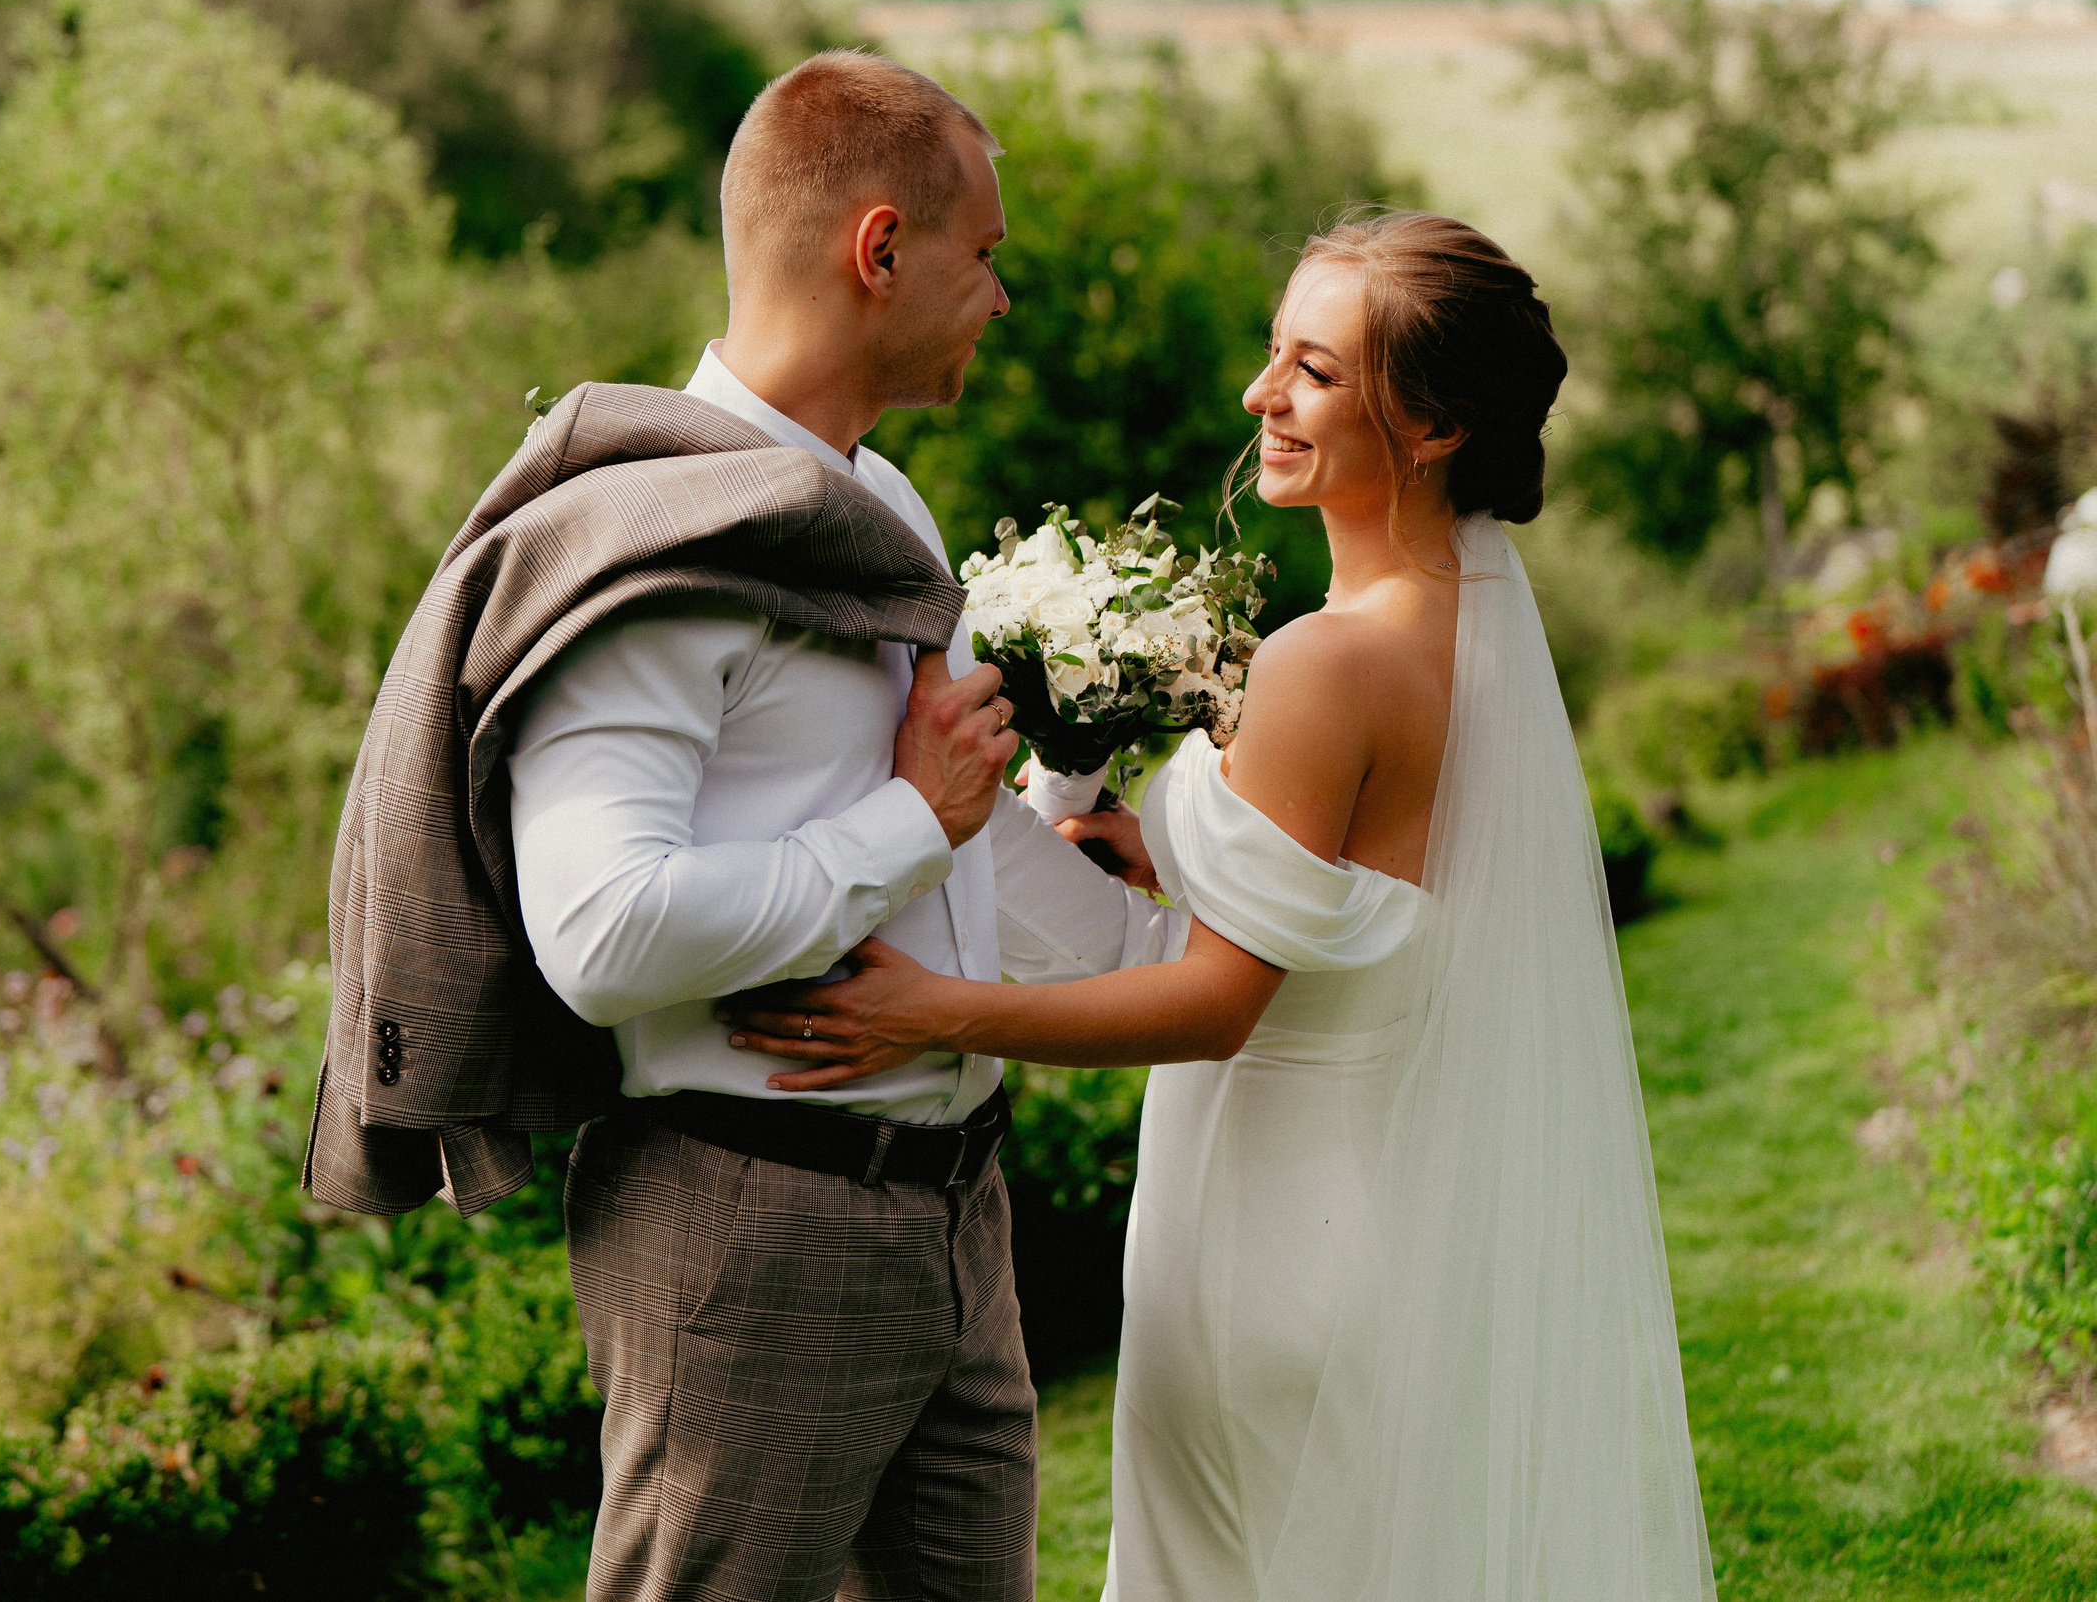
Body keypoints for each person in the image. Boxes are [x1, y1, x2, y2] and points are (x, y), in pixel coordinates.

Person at [720, 211, 1720, 1601]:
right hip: (1377, 1229)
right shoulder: (1468, 628)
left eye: (1312, 371)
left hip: (1270, 1249)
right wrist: (1168, 850)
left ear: (1429, 426)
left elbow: (1217, 1005)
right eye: (1274, 355)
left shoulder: (1330, 662)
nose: (1262, 398)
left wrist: (927, 1010)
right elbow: (1361, 898)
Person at [309, 49, 1185, 1602]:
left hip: (955, 1215)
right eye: (985, 256)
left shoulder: (885, 511)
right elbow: (605, 935)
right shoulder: (664, 552)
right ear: (880, 250)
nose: (1002, 297)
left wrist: (1163, 947)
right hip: (755, 1229)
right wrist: (913, 816)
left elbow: (966, 848)